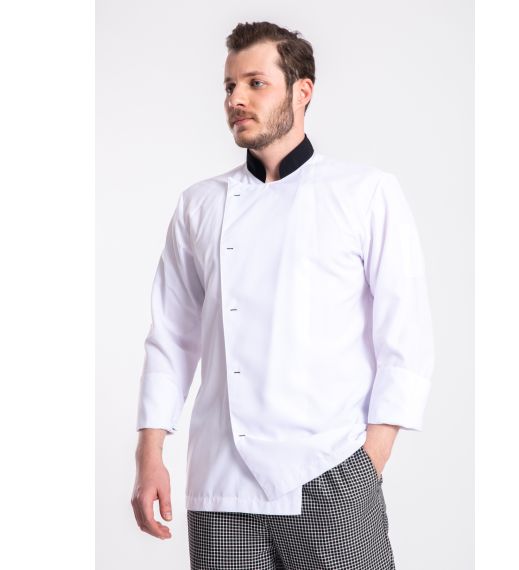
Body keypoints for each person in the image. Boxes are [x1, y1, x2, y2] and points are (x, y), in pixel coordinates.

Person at [131, 20, 435, 570]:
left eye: (256, 83)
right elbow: (171, 340)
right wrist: (149, 454)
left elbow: (405, 336)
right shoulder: (199, 205)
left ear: (302, 91)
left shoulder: (365, 193)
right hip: (221, 487)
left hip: (330, 473)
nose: (236, 99)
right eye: (230, 86)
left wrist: (369, 460)